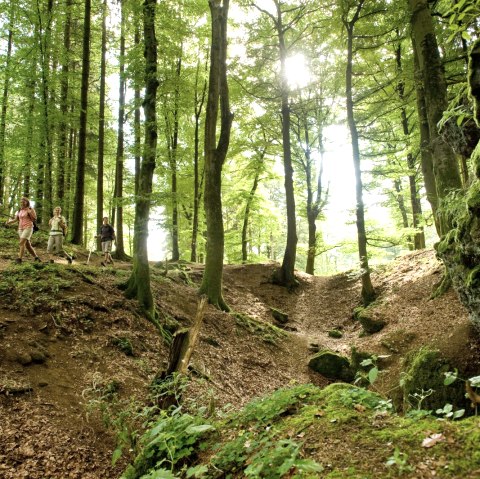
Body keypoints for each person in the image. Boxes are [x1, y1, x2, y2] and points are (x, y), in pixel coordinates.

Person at [5, 197, 41, 264]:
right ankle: (36, 258)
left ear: (27, 202)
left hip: (28, 227)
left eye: (24, 202)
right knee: (27, 245)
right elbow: (16, 219)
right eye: (21, 202)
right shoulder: (20, 210)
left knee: (21, 242)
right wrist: (9, 222)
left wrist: (30, 212)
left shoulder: (31, 209)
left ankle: (19, 259)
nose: (22, 203)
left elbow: (34, 219)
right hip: (20, 229)